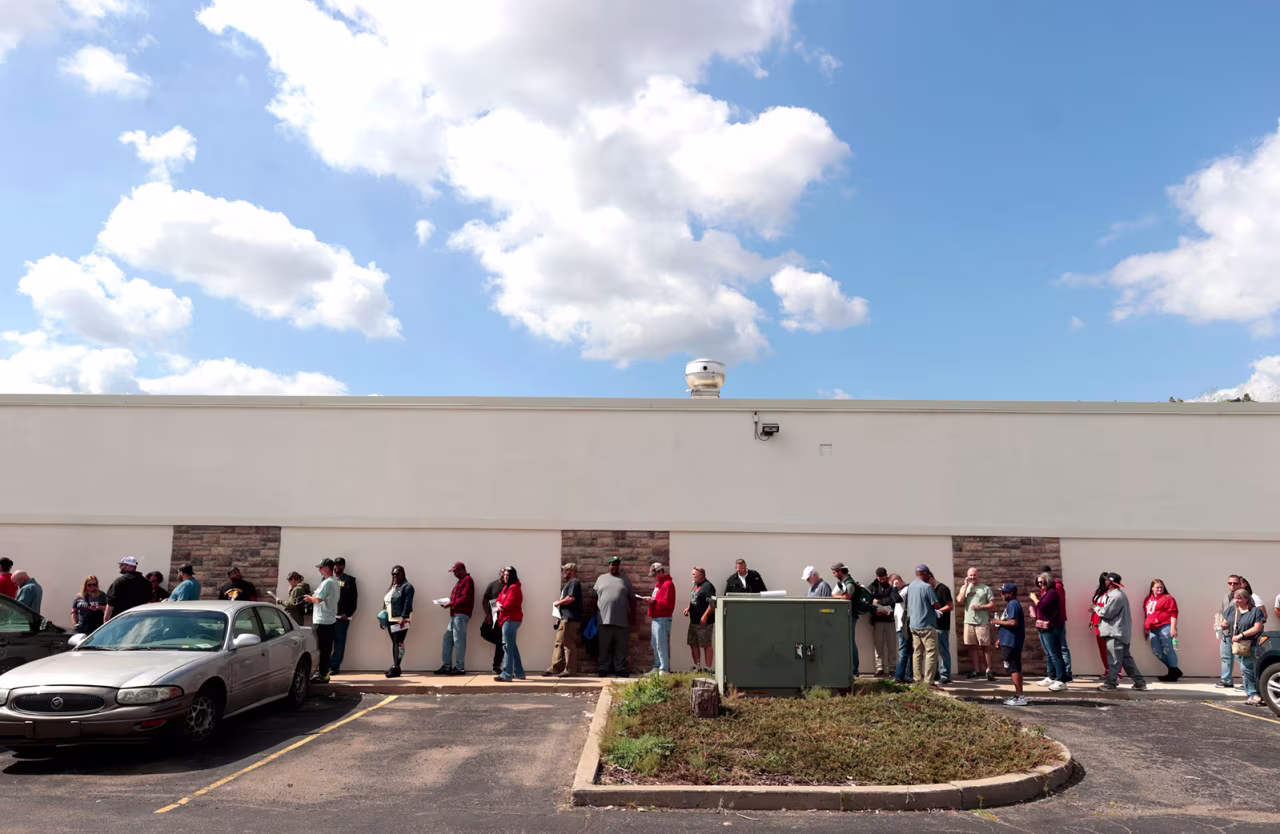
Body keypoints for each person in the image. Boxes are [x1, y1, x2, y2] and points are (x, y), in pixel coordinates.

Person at [1095, 572, 1147, 692]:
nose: (1105, 582)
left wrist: (1096, 608)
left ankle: (1111, 683)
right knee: (1125, 659)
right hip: (1120, 632)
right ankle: (1139, 682)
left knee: (1113, 659)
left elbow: (1107, 613)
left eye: (1107, 580)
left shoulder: (1116, 596)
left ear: (1110, 582)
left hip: (1115, 633)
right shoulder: (1116, 595)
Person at [593, 556, 636, 677]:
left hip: (622, 620)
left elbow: (632, 599)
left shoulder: (625, 580)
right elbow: (594, 597)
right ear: (609, 565)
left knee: (621, 647)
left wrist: (633, 616)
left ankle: (620, 669)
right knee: (603, 646)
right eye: (612, 564)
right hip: (603, 619)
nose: (614, 566)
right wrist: (592, 615)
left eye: (617, 564)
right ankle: (603, 668)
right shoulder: (601, 579)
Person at [1227, 588, 1266, 706]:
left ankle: (1253, 694)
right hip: (1237, 645)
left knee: (1246, 668)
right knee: (1247, 670)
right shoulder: (1231, 610)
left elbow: (1257, 627)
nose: (1237, 600)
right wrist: (1219, 625)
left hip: (1251, 643)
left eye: (1240, 597)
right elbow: (1225, 622)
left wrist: (1241, 635)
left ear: (1246, 599)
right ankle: (1257, 692)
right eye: (1235, 597)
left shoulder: (1255, 611)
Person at [545, 562, 585, 677]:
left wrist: (558, 602)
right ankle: (555, 667)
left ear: (572, 571)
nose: (564, 573)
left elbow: (571, 598)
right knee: (559, 642)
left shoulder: (574, 582)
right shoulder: (570, 583)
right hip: (564, 618)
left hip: (570, 619)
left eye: (565, 570)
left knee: (568, 644)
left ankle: (570, 670)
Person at [906, 565, 942, 687]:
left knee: (917, 653)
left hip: (914, 625)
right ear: (924, 574)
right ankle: (929, 682)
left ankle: (917, 680)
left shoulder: (910, 586)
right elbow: (936, 605)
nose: (929, 577)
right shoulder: (927, 587)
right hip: (926, 625)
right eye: (928, 575)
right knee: (931, 652)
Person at [1030, 572, 1067, 691]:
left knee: (1055, 654)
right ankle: (1052, 676)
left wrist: (1035, 599)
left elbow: (1043, 606)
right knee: (1049, 654)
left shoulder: (1052, 593)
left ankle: (1061, 680)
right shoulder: (1046, 593)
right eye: (1038, 583)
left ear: (1048, 581)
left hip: (1051, 628)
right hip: (1044, 627)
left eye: (1042, 582)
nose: (1040, 585)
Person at [958, 566, 997, 681]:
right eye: (970, 575)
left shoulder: (985, 588)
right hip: (968, 622)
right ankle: (977, 670)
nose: (972, 577)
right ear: (967, 576)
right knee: (972, 647)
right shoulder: (965, 588)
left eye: (974, 575)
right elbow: (960, 600)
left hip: (982, 622)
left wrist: (981, 607)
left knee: (985, 647)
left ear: (978, 575)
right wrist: (965, 586)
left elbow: (992, 604)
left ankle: (988, 670)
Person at [305, 559, 340, 683]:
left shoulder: (327, 583)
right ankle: (323, 673)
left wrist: (309, 598)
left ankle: (323, 675)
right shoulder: (335, 581)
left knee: (322, 650)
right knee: (326, 649)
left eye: (320, 568)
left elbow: (318, 599)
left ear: (326, 568)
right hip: (330, 620)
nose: (319, 570)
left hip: (322, 621)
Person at [992, 583, 1027, 706]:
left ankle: (1020, 696)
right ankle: (1019, 695)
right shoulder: (1012, 604)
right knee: (1014, 667)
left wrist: (997, 621)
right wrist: (1000, 639)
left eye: (1003, 592)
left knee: (1014, 668)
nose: (1001, 594)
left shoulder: (1013, 604)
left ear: (1010, 594)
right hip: (1009, 640)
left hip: (1012, 642)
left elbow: (1013, 622)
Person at [437, 561, 473, 675]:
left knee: (458, 641)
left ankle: (460, 667)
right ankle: (447, 666)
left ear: (462, 569)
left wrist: (451, 603)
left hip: (461, 614)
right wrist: (450, 603)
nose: (454, 574)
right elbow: (459, 598)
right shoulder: (461, 582)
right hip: (455, 614)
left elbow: (465, 597)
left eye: (455, 571)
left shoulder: (467, 580)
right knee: (448, 638)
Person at [831, 562, 866, 677]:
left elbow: (847, 597)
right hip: (845, 616)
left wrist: (834, 596)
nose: (834, 574)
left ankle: (854, 669)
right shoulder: (844, 583)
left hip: (850, 616)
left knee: (850, 642)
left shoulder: (849, 583)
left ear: (840, 571)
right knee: (847, 642)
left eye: (835, 572)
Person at [1217, 574, 1252, 688]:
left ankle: (1246, 683)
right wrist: (1217, 623)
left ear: (1240, 584)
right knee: (1226, 657)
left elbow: (1249, 615)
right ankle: (1226, 681)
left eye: (1235, 583)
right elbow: (1222, 612)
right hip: (1226, 633)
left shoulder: (1245, 597)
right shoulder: (1226, 597)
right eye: (1230, 583)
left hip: (1238, 634)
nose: (1232, 585)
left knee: (1242, 659)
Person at [1143, 578, 1181, 682]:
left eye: (1161, 587)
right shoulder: (1148, 599)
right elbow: (1147, 615)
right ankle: (1175, 670)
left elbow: (1173, 613)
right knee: (1156, 651)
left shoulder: (1168, 598)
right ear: (1152, 588)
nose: (1159, 589)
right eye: (1157, 587)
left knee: (1169, 649)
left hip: (1165, 626)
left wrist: (1173, 628)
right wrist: (1145, 627)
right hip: (1152, 629)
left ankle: (1172, 673)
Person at [640, 562, 674, 675]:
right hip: (657, 618)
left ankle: (663, 669)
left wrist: (653, 601)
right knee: (655, 643)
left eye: (655, 574)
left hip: (663, 618)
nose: (654, 577)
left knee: (661, 644)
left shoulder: (668, 584)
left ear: (661, 571)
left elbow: (668, 603)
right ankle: (657, 666)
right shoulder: (659, 584)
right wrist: (652, 600)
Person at [493, 566, 525, 682]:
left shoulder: (514, 588)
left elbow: (510, 603)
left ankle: (507, 673)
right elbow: (498, 599)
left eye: (507, 575)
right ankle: (519, 672)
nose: (505, 577)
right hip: (506, 618)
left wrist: (500, 607)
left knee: (507, 646)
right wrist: (498, 605)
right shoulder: (506, 588)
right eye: (504, 575)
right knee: (512, 646)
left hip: (511, 619)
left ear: (512, 576)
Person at [1041, 566, 1072, 681]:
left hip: (1057, 621)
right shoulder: (1045, 587)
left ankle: (1066, 673)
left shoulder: (1057, 587)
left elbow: (1059, 605)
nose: (1041, 582)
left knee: (1061, 648)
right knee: (1050, 650)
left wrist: (1056, 619)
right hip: (1048, 622)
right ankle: (1052, 674)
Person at [383, 565, 414, 678]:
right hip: (391, 618)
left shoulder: (407, 587)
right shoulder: (393, 587)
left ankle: (396, 667)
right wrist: (383, 618)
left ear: (402, 574)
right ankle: (397, 666)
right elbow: (386, 602)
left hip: (400, 618)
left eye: (397, 574)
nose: (395, 576)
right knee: (395, 642)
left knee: (399, 642)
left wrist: (404, 617)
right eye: (393, 574)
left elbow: (407, 603)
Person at [330, 557, 359, 676]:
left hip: (341, 618)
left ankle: (334, 666)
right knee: (326, 642)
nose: (338, 567)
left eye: (340, 565)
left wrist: (347, 614)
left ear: (344, 566)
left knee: (339, 642)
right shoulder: (327, 579)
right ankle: (323, 666)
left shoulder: (349, 580)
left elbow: (354, 599)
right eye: (336, 565)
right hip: (327, 617)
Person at [685, 567, 716, 673]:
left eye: (694, 575)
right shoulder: (696, 585)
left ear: (701, 576)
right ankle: (697, 667)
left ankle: (708, 668)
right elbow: (694, 599)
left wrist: (705, 616)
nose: (691, 577)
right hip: (693, 621)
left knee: (706, 644)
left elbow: (712, 604)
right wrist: (688, 608)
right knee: (693, 643)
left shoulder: (708, 587)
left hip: (704, 623)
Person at [1089, 572, 1119, 682]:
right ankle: (1107, 670)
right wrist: (1092, 620)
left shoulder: (1113, 593)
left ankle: (1117, 672)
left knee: (1112, 649)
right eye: (1104, 580)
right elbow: (1096, 607)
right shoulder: (1099, 593)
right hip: (1098, 622)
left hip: (1108, 624)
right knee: (1103, 649)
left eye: (1107, 580)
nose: (1105, 582)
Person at [868, 567, 897, 677]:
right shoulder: (872, 587)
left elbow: (893, 600)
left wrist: (879, 602)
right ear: (876, 577)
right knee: (878, 646)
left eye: (884, 578)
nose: (882, 580)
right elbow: (869, 602)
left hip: (889, 620)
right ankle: (879, 668)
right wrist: (876, 611)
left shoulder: (890, 585)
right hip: (877, 620)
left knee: (891, 646)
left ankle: (892, 668)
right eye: (880, 578)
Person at [927, 570, 954, 684]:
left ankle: (945, 674)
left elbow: (950, 606)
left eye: (927, 581)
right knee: (933, 651)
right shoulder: (929, 590)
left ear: (931, 578)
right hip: (931, 625)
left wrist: (938, 611)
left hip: (942, 625)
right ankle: (936, 673)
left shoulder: (943, 589)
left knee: (943, 650)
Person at [481, 569, 506, 674]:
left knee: (500, 641)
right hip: (492, 616)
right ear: (499, 574)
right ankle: (500, 644)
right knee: (483, 632)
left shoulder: (509, 586)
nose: (503, 576)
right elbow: (485, 599)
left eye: (505, 574)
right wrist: (488, 615)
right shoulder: (492, 585)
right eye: (502, 573)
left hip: (503, 618)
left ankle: (496, 665)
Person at [890, 573, 913, 683]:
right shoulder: (903, 590)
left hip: (903, 625)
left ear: (897, 582)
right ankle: (908, 675)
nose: (892, 587)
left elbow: (897, 599)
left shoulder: (906, 589)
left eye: (893, 584)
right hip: (902, 625)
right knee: (907, 651)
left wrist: (894, 588)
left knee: (903, 651)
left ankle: (899, 677)